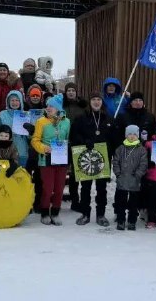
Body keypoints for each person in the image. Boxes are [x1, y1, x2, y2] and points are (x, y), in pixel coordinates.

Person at [70, 91, 115, 227]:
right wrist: (85, 142)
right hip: (86, 157)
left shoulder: (108, 118)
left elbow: (113, 138)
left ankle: (100, 215)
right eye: (94, 99)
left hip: (102, 158)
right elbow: (74, 136)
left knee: (102, 188)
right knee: (85, 188)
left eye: (99, 100)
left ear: (102, 102)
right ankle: (85, 214)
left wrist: (108, 148)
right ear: (90, 102)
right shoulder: (81, 118)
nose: (96, 102)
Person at [31, 94, 71, 225]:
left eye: (51, 106)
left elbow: (68, 139)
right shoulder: (41, 122)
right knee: (47, 188)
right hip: (46, 159)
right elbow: (35, 140)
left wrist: (67, 152)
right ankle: (44, 212)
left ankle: (55, 212)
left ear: (58, 108)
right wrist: (43, 148)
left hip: (61, 159)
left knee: (59, 188)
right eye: (47, 105)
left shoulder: (66, 122)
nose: (48, 108)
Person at [111, 125, 148, 231]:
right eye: (129, 134)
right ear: (126, 135)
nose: (132, 136)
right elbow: (115, 162)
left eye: (134, 134)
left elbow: (143, 164)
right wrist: (117, 173)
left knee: (133, 203)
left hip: (134, 181)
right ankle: (121, 220)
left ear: (138, 136)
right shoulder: (120, 148)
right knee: (120, 202)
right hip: (122, 180)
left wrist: (138, 174)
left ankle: (132, 221)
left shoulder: (141, 150)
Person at [62, 82, 87, 210]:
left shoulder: (82, 106)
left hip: (78, 142)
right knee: (61, 171)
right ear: (65, 92)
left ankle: (75, 200)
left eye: (73, 90)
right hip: (62, 143)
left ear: (76, 92)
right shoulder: (61, 105)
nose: (71, 92)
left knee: (76, 174)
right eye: (69, 90)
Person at [0, 90, 31, 168]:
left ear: (21, 102)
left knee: (21, 176)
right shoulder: (2, 114)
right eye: (12, 100)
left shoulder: (26, 115)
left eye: (17, 100)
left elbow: (29, 137)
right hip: (6, 152)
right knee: (8, 177)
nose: (14, 102)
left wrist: (30, 131)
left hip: (22, 151)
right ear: (8, 101)